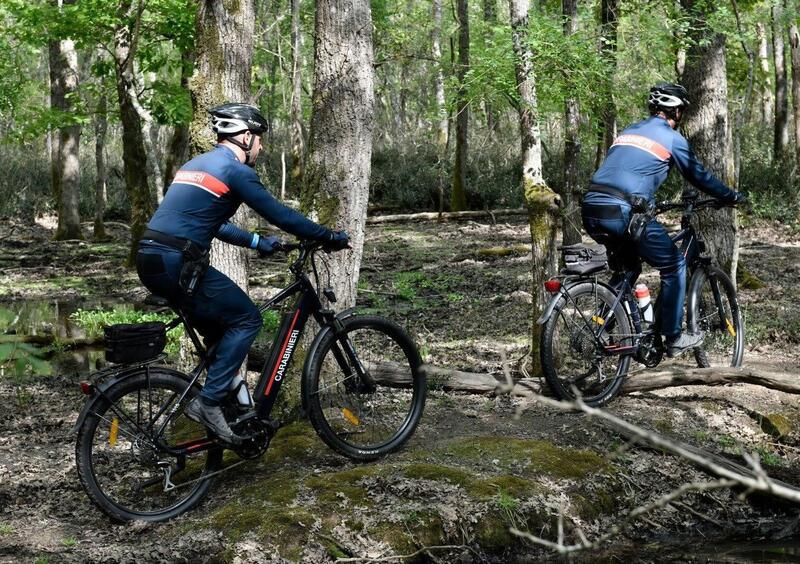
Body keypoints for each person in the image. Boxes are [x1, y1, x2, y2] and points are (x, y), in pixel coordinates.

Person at [136, 102, 349, 444]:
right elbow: (281, 214)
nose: (261, 147)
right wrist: (327, 236)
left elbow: (211, 222)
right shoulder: (236, 171)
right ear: (246, 136)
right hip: (178, 262)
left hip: (150, 259)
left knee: (220, 333)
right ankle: (208, 403)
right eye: (259, 140)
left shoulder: (196, 165)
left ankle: (234, 410)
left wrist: (256, 242)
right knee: (247, 319)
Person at [582, 83, 746, 358]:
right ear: (677, 112)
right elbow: (698, 176)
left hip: (591, 208)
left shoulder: (629, 131)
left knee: (629, 268)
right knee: (674, 263)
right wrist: (731, 196)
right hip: (622, 213)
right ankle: (672, 336)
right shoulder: (671, 138)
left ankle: (605, 324)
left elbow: (627, 170)